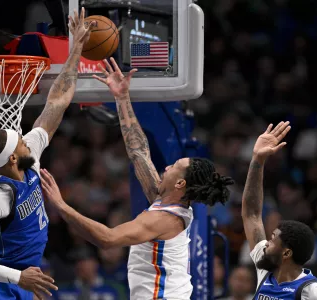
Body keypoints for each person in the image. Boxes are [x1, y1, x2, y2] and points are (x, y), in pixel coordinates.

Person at [40, 58, 235, 300]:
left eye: (174, 166)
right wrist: (122, 98)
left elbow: (108, 239)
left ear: (180, 184)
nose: (166, 167)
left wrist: (61, 206)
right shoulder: (165, 200)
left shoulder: (164, 219)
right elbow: (139, 152)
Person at [0, 8, 95, 300]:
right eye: (20, 141)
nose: (25, 138)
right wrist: (17, 276)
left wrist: (76, 50)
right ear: (13, 159)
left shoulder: (28, 157)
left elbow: (56, 103)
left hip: (21, 278)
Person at [242, 121, 317, 299]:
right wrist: (258, 160)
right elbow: (251, 214)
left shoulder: (313, 292)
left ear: (286, 252)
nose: (267, 242)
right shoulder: (265, 271)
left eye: (273, 239)